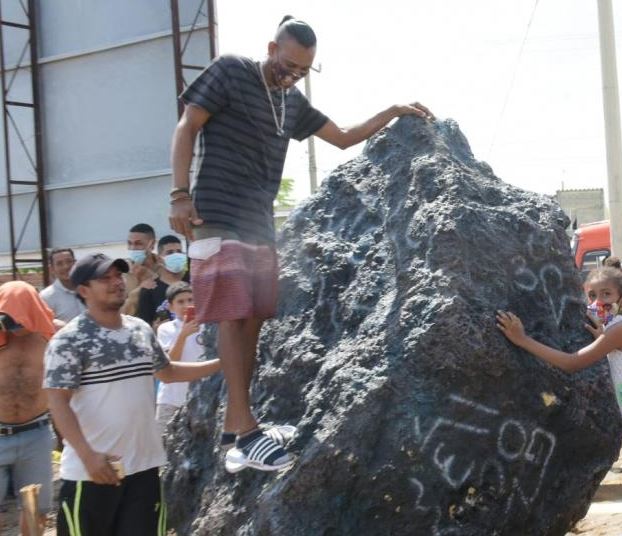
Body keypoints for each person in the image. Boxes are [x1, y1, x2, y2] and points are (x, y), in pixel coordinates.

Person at [168, 15, 433, 472]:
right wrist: (178, 193)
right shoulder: (231, 70)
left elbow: (344, 138)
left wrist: (392, 111)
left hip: (258, 221)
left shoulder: (291, 104)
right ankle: (246, 431)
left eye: (302, 71)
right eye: (286, 65)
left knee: (254, 318)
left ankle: (239, 429)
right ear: (271, 48)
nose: (291, 75)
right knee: (232, 315)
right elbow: (187, 126)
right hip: (216, 212)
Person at [44, 254, 221, 535]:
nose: (116, 283)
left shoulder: (139, 329)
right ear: (83, 290)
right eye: (105, 278)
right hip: (92, 473)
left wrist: (223, 364)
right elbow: (57, 401)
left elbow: (167, 372)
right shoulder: (69, 340)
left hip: (144, 467)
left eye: (118, 276)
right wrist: (88, 455)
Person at [497, 267, 622, 531]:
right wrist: (602, 338)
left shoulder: (619, 328)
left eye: (606, 294)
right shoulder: (616, 329)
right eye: (592, 295)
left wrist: (522, 339)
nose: (598, 301)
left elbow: (573, 363)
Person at [0, 282, 57, 535]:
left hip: (36, 431)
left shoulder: (55, 335)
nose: (17, 327)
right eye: (11, 320)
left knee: (37, 508)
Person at [155, 282, 203, 434]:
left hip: (201, 397)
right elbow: (169, 362)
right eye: (180, 302)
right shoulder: (166, 329)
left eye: (190, 300)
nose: (186, 305)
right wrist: (183, 334)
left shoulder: (207, 326)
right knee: (164, 444)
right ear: (170, 307)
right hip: (171, 399)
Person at [136, 235, 188, 327]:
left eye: (179, 251)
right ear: (159, 258)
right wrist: (155, 329)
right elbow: (143, 326)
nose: (176, 255)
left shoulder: (192, 283)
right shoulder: (150, 289)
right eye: (170, 252)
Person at [122, 223, 161, 316]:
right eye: (129, 243)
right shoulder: (122, 273)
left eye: (138, 243)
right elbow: (121, 313)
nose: (132, 248)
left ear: (152, 244)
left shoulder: (165, 267)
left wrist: (151, 276)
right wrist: (139, 291)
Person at [40, 248, 85, 322]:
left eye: (69, 261)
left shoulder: (89, 288)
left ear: (76, 263)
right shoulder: (46, 297)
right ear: (52, 269)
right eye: (59, 264)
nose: (66, 266)